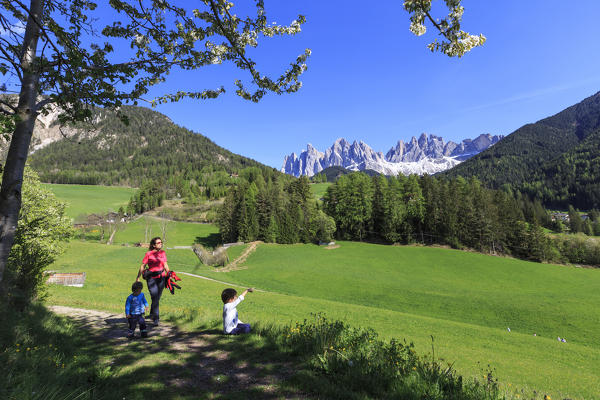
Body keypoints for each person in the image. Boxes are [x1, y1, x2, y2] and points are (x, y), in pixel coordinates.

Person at [136, 236, 170, 325]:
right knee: (154, 297)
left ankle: (152, 313)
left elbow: (165, 264)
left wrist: (169, 273)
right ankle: (156, 318)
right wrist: (138, 277)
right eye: (158, 243)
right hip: (151, 279)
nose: (161, 244)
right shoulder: (148, 254)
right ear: (154, 245)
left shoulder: (163, 253)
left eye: (161, 242)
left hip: (162, 278)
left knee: (157, 298)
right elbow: (142, 266)